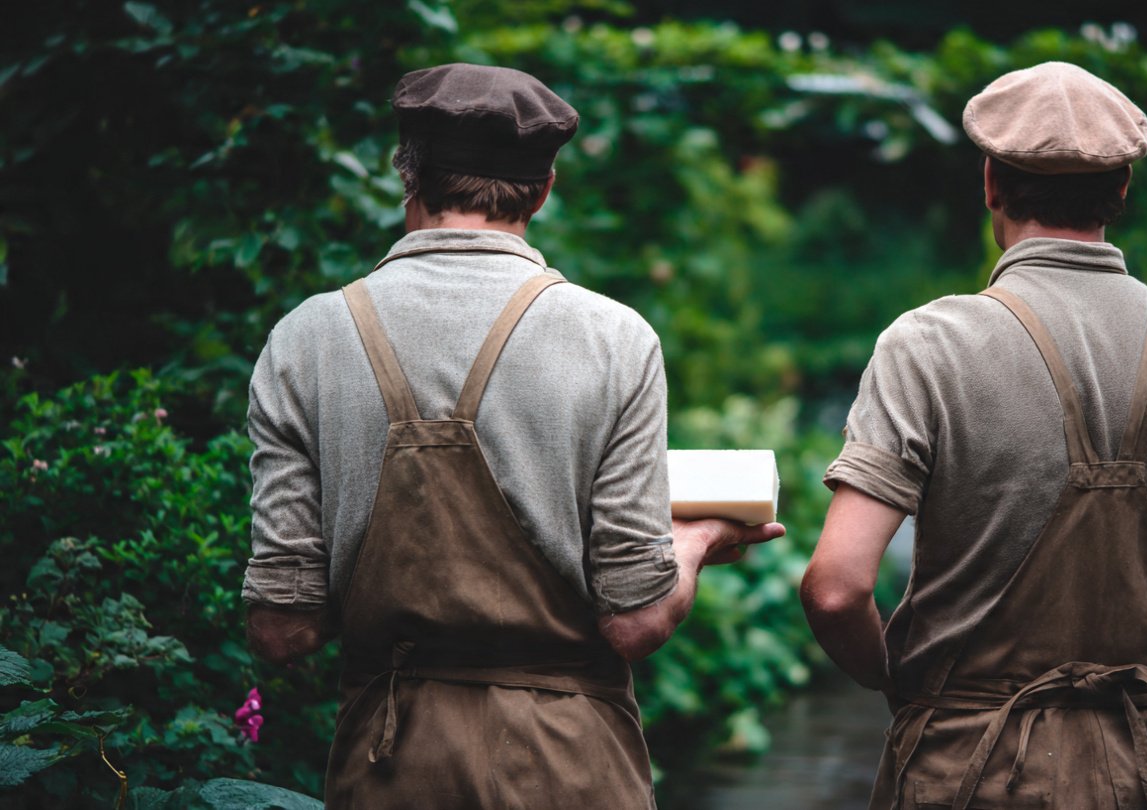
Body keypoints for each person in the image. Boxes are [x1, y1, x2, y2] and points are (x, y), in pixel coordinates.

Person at [240, 64, 783, 809]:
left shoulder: (305, 340)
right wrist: (692, 542)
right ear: (545, 188)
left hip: (388, 765)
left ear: (408, 173)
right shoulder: (612, 338)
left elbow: (281, 631)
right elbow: (635, 622)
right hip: (568, 762)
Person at [801, 62, 1147, 810]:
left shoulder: (929, 345)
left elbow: (836, 590)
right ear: (1122, 189)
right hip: (1140, 765)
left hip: (967, 762)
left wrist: (894, 676)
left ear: (991, 181)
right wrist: (1145, 581)